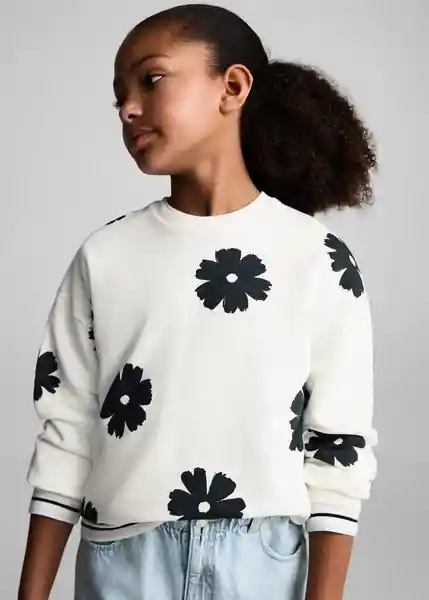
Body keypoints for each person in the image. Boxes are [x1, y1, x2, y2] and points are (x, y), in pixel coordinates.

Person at [18, 4, 378, 600]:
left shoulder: (316, 259)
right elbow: (66, 435)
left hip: (262, 566)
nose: (129, 108)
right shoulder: (105, 257)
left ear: (232, 87)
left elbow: (339, 449)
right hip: (121, 561)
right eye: (119, 98)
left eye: (151, 79)